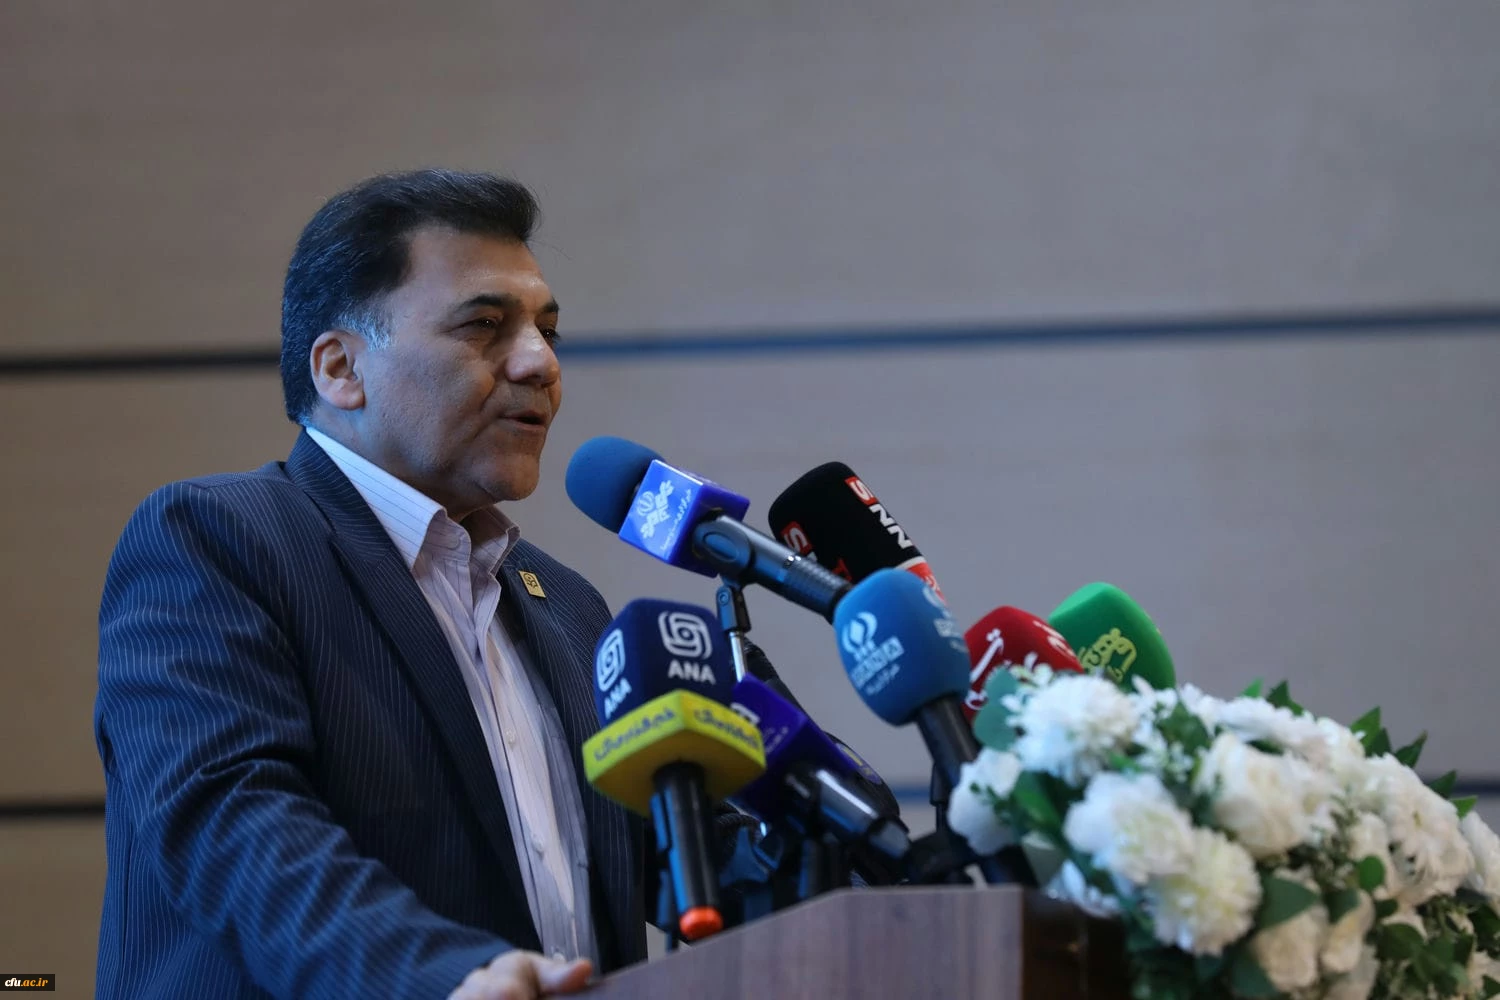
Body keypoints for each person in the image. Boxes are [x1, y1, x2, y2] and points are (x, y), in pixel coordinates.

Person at [94, 170, 637, 999]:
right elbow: (232, 821)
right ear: (341, 368)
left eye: (548, 331)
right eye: (485, 326)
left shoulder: (568, 608)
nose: (540, 362)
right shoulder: (214, 541)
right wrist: (443, 979)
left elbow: (696, 849)